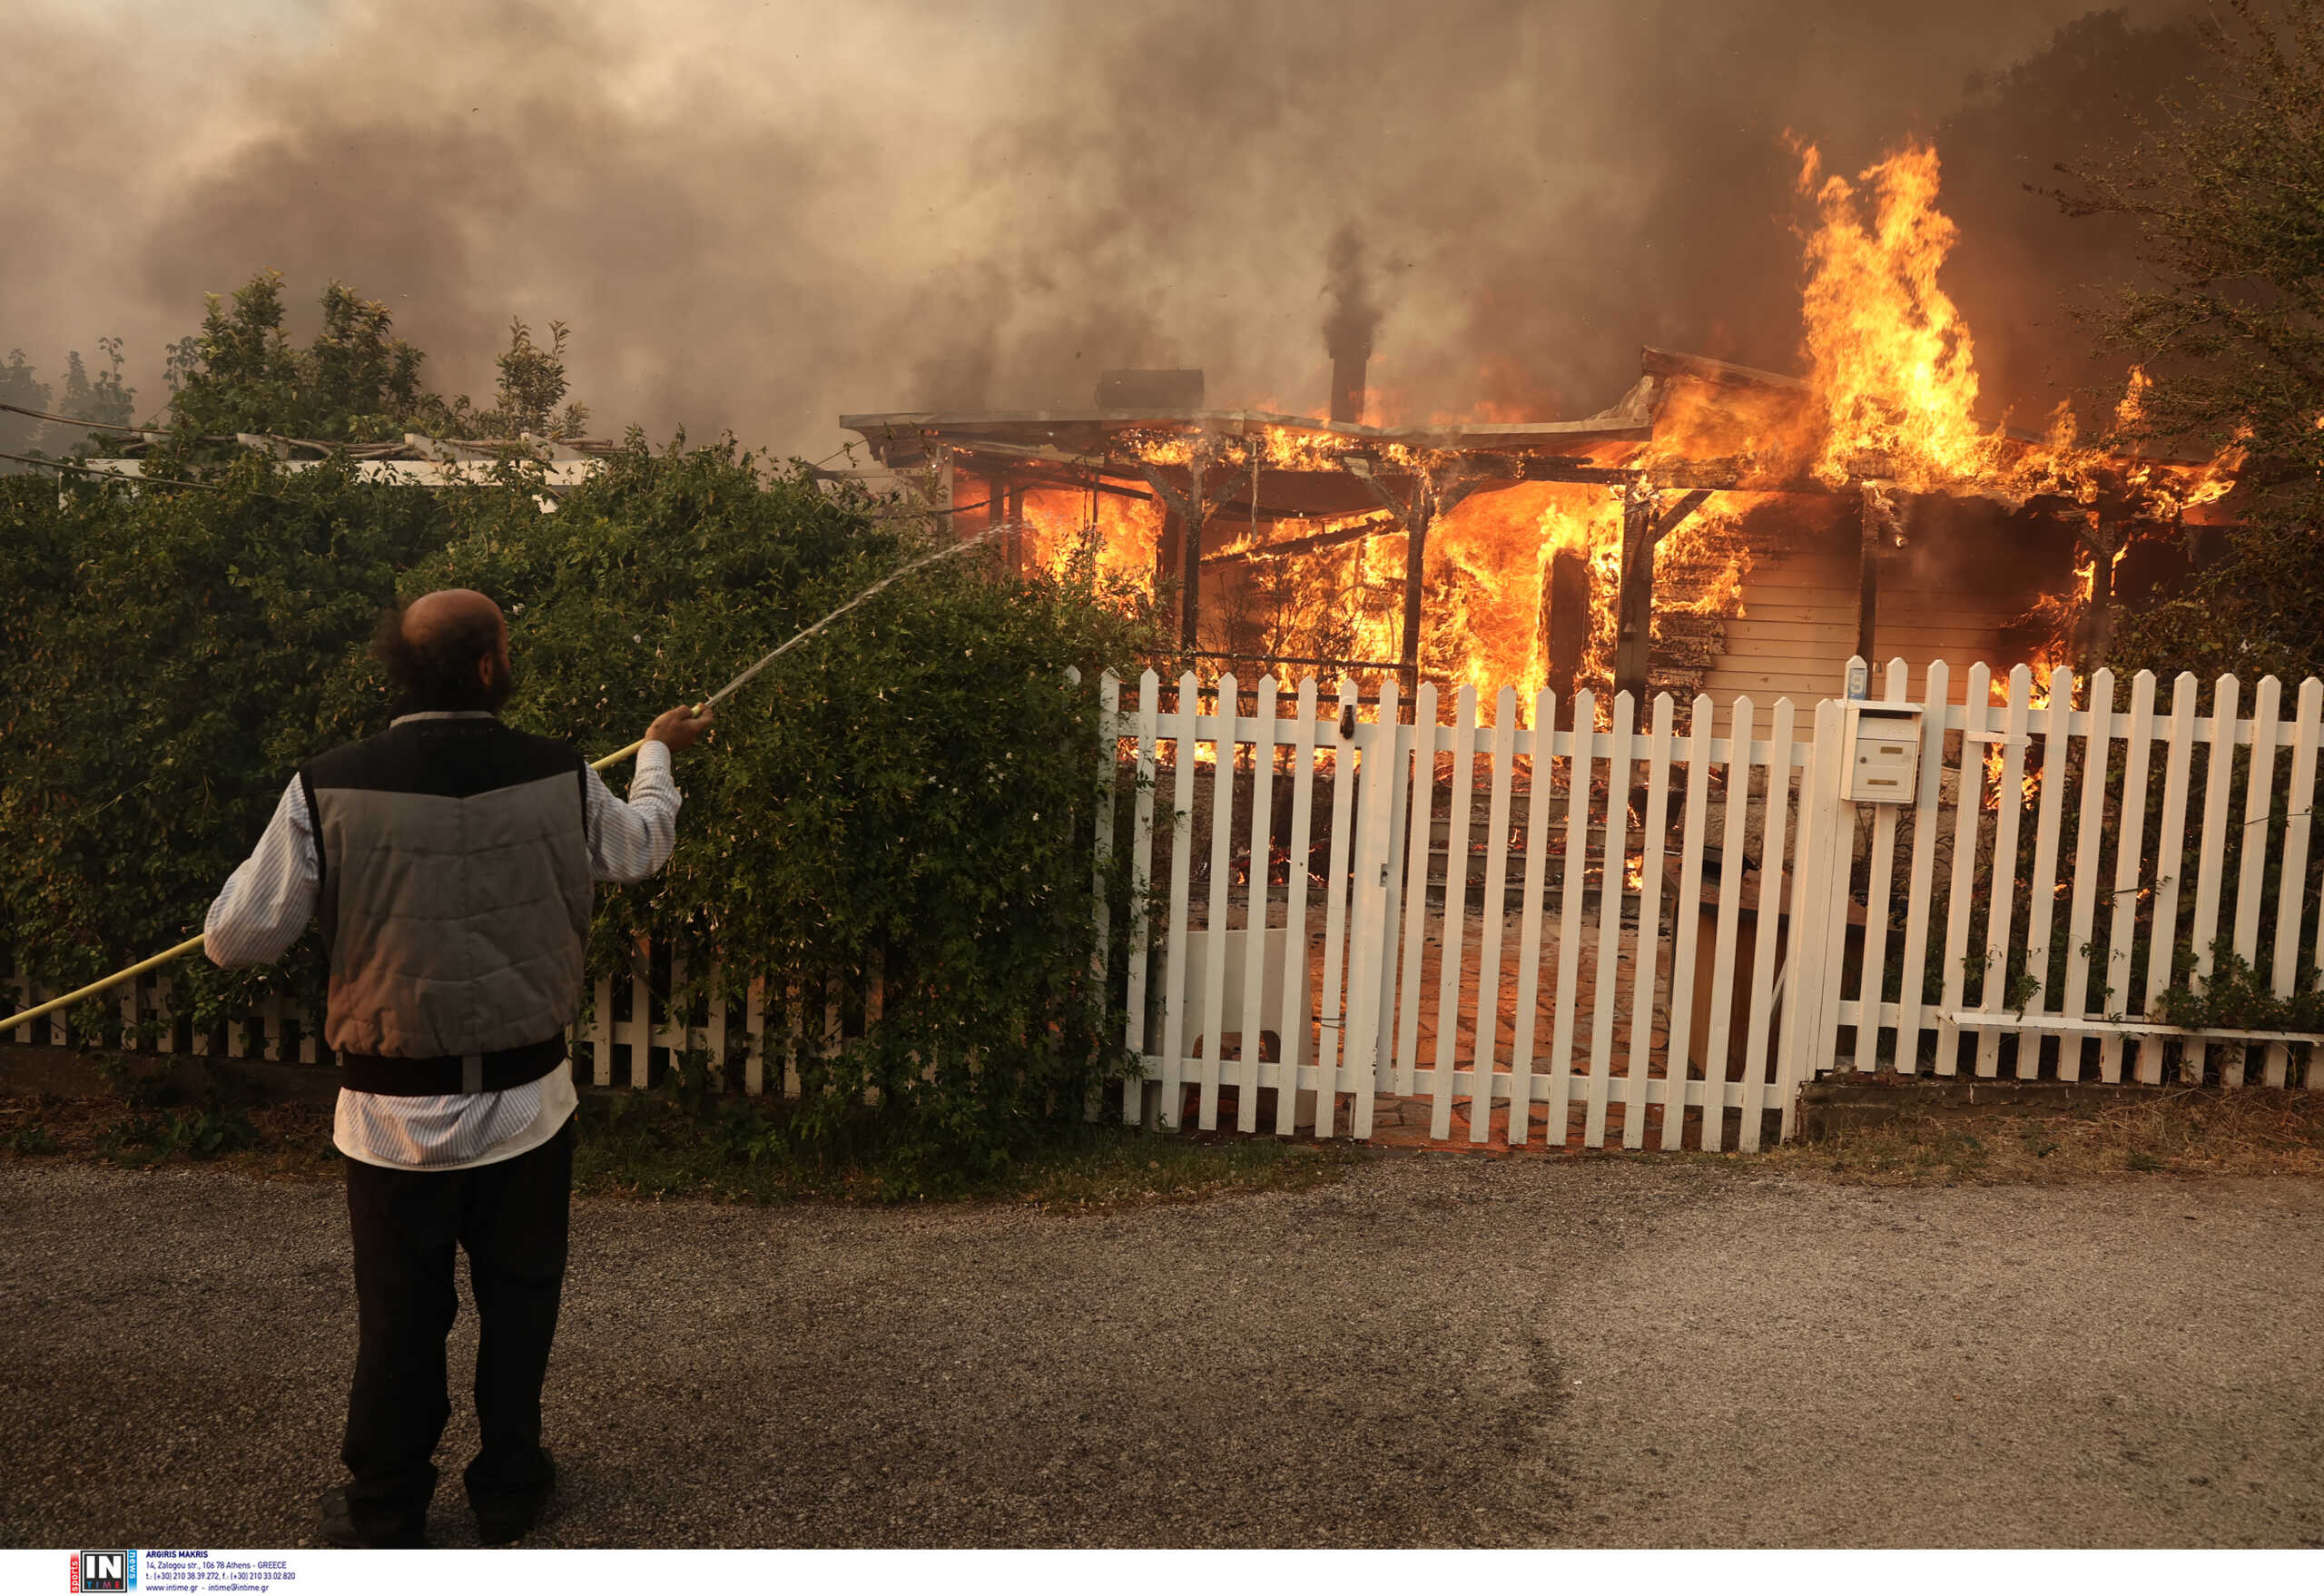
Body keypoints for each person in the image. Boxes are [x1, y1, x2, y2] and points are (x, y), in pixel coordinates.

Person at [203, 587, 711, 1548]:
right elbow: (640, 850)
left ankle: (387, 1505)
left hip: (391, 1125)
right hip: (527, 1107)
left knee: (400, 1320)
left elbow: (236, 939)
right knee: (520, 1304)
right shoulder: (558, 774)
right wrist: (655, 754)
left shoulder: (326, 783)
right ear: (487, 668)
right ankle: (509, 1486)